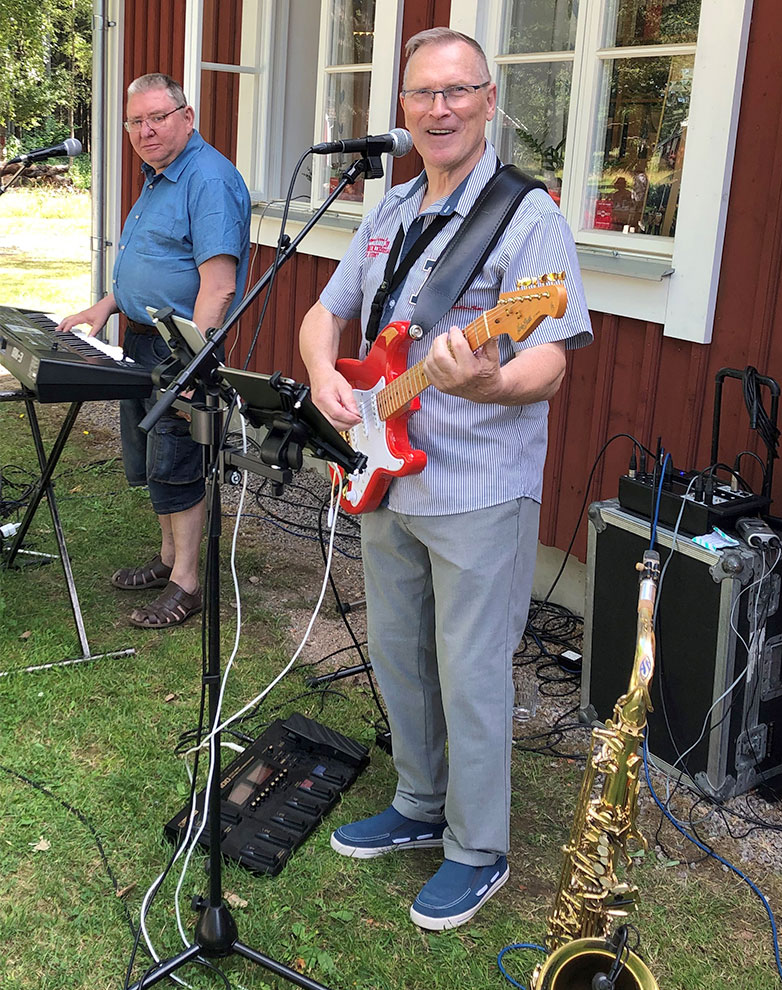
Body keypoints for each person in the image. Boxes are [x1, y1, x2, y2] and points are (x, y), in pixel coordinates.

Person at [298, 28, 592, 931]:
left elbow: (549, 360)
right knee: (399, 652)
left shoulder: (527, 216)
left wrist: (489, 379)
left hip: (479, 486)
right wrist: (322, 379)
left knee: (471, 671)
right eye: (424, 94)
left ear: (490, 100)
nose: (440, 109)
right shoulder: (387, 210)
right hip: (387, 474)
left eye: (458, 92)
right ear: (403, 108)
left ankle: (478, 846)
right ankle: (421, 804)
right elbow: (324, 313)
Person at [58, 73, 251, 629]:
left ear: (186, 118)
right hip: (138, 341)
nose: (145, 131)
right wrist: (105, 306)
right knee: (152, 459)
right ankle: (169, 558)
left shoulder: (207, 180)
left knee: (178, 462)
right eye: (136, 122)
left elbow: (218, 287)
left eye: (157, 118)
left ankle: (187, 581)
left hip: (179, 350)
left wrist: (192, 366)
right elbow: (150, 262)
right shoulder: (160, 174)